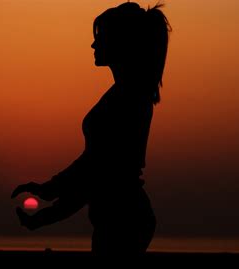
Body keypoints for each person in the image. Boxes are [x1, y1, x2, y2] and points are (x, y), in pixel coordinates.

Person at [11, 2, 171, 255]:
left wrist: (48, 211)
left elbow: (101, 174)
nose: (94, 45)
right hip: (117, 217)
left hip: (124, 219)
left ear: (121, 42)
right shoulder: (122, 95)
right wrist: (49, 189)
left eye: (101, 37)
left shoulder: (128, 99)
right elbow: (91, 164)